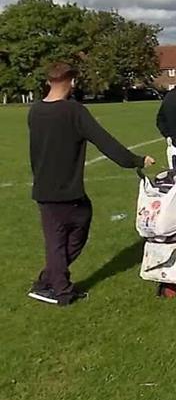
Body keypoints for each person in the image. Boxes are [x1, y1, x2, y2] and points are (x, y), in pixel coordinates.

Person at [27, 62, 155, 305]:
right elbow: (104, 141)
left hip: (45, 189)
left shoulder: (35, 111)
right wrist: (135, 160)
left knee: (72, 230)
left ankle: (47, 281)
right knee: (60, 241)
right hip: (63, 190)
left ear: (49, 81)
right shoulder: (73, 111)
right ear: (72, 81)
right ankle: (62, 292)